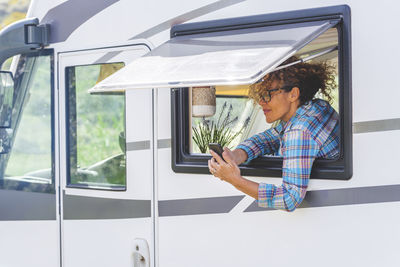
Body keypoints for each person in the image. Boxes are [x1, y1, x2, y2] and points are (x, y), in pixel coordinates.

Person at [208, 57, 339, 212]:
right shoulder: (316, 108)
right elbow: (270, 138)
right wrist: (237, 155)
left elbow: (289, 198)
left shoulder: (299, 131)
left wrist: (235, 180)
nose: (261, 102)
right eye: (260, 95)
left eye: (267, 94)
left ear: (293, 94)